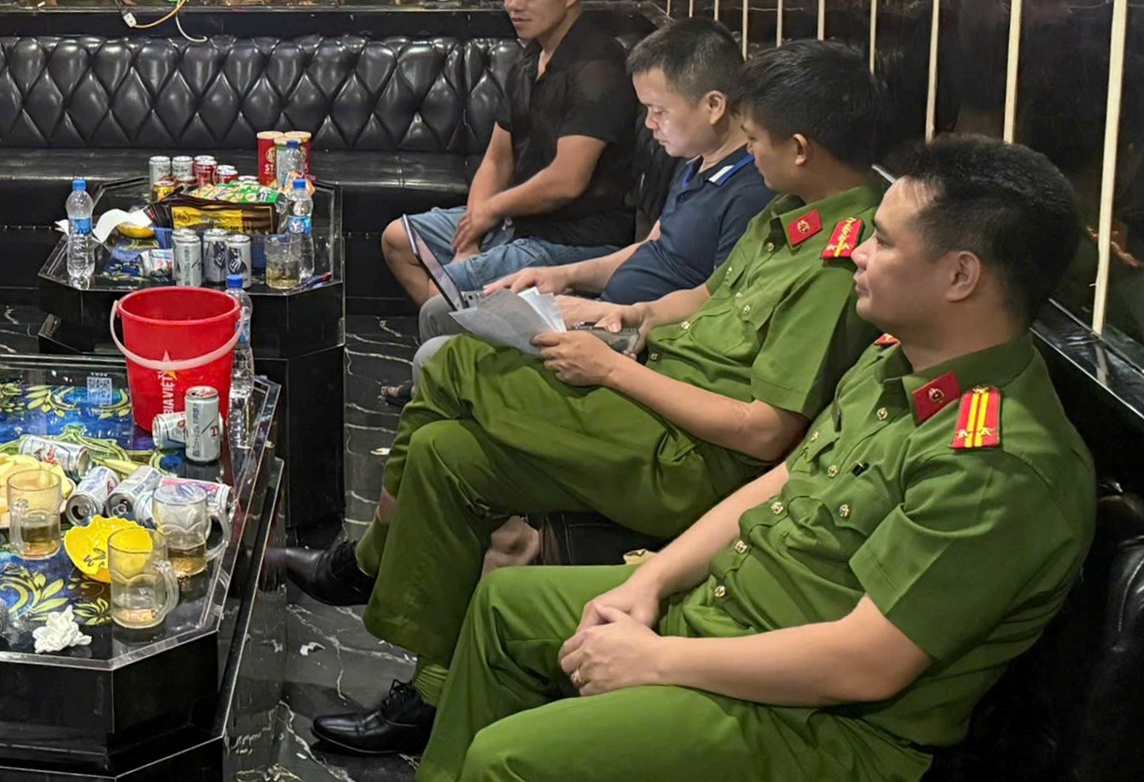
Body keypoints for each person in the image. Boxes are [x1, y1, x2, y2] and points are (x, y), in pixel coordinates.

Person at [423, 136, 1094, 782]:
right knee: (505, 606)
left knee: (507, 760)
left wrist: (657, 659)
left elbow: (865, 665)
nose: (859, 251)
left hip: (814, 724)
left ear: (960, 275)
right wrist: (649, 581)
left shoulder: (1000, 464)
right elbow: (783, 478)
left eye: (885, 242)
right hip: (729, 609)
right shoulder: (899, 358)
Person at [291, 38, 885, 756]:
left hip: (690, 454)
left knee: (458, 365)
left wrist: (611, 371)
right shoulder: (788, 210)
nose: (747, 151)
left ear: (801, 148)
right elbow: (707, 295)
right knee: (445, 454)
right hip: (650, 399)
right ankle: (432, 691)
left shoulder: (840, 259)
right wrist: (628, 315)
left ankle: (370, 561)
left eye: (755, 140)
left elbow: (765, 432)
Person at [395, 17, 774, 395]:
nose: (650, 124)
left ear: (713, 105)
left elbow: (719, 308)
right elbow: (650, 247)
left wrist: (613, 317)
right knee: (439, 312)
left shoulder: (751, 194)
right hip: (605, 313)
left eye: (659, 111)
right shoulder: (696, 161)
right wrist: (561, 276)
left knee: (435, 356)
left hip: (634, 342)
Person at [381, 0, 640, 403]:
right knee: (398, 240)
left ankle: (446, 382)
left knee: (451, 288)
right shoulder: (530, 57)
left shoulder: (597, 68)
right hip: (519, 221)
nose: (514, 5)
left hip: (573, 237)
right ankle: (456, 362)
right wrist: (473, 230)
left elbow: (566, 181)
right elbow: (498, 156)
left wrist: (490, 213)